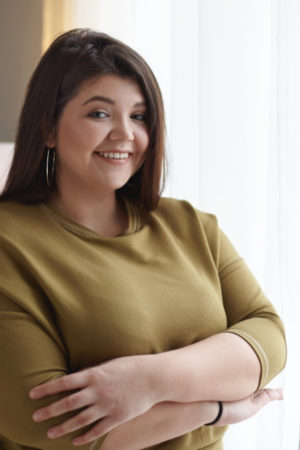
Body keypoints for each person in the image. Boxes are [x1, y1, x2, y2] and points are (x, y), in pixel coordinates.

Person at [0, 28, 286, 450]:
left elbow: (269, 338)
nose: (125, 134)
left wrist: (148, 380)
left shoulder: (190, 225)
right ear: (47, 129)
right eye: (99, 114)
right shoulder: (10, 241)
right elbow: (51, 426)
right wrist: (215, 409)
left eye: (139, 116)